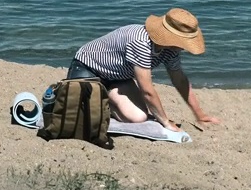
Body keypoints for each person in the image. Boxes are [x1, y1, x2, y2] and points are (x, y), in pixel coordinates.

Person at [67, 8, 220, 131]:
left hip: (118, 77)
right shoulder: (140, 42)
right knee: (79, 114)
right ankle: (87, 96)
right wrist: (165, 122)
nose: (184, 47)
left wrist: (199, 114)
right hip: (88, 67)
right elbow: (147, 89)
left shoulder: (172, 50)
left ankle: (101, 97)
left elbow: (180, 80)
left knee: (138, 117)